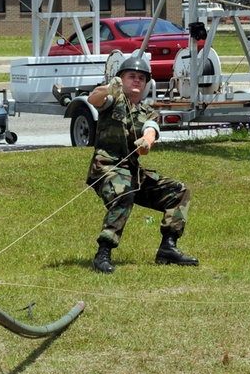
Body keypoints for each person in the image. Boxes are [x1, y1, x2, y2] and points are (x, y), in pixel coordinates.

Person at [85, 51, 198, 274]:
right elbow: (93, 99)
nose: (137, 80)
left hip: (132, 172)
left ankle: (168, 248)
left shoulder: (149, 112)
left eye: (142, 77)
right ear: (121, 78)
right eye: (131, 76)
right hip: (106, 168)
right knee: (124, 191)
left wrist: (147, 141)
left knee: (178, 191)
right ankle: (103, 253)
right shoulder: (112, 100)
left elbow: (151, 130)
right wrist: (109, 88)